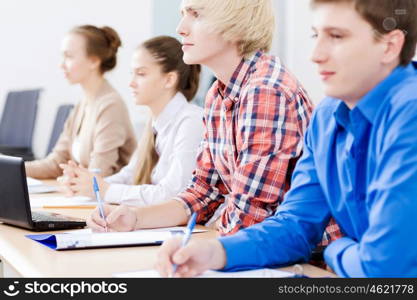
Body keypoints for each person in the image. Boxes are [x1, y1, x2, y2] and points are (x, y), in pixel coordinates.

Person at [155, 0, 417, 278]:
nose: (315, 55)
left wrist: (335, 249)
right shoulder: (328, 116)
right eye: (317, 36)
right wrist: (216, 253)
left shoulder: (409, 113)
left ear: (389, 47)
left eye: (337, 37)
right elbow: (296, 225)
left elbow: (385, 268)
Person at [87, 0, 342, 246]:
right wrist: (135, 217)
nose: (180, 28)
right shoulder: (219, 95)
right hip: (257, 248)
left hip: (307, 260)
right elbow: (203, 192)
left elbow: (251, 213)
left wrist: (207, 254)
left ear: (235, 24)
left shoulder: (265, 90)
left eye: (195, 14)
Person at [60, 36, 204, 207]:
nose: (131, 83)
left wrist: (104, 189)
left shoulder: (191, 121)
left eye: (141, 74)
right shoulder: (155, 122)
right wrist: (86, 184)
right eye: (132, 74)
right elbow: (129, 175)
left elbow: (174, 195)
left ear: (169, 80)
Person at [25, 25, 136, 179]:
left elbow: (98, 174)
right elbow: (56, 162)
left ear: (94, 61)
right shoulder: (83, 105)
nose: (61, 64)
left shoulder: (111, 106)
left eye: (69, 56)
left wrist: (72, 177)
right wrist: (12, 169)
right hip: (86, 197)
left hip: (109, 200)